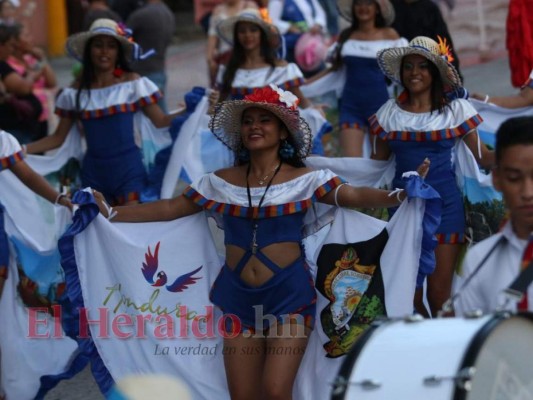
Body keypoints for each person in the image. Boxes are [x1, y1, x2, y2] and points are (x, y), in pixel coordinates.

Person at [92, 84, 428, 399]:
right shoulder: (219, 182)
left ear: (283, 131)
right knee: (243, 395)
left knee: (276, 392)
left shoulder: (307, 180)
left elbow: (351, 194)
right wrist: (109, 213)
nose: (255, 126)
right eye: (248, 121)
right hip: (237, 297)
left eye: (265, 120)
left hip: (288, 297)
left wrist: (397, 194)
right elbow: (170, 207)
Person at [370, 36, 495, 317]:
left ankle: (450, 355)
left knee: (439, 296)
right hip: (402, 210)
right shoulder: (387, 114)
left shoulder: (456, 111)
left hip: (446, 209)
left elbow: (484, 158)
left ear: (435, 72)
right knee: (408, 295)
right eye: (409, 66)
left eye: (423, 66)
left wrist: (520, 151)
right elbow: (374, 168)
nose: (414, 72)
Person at [25, 19, 183, 206]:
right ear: (88, 51)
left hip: (129, 171)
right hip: (93, 174)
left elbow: (161, 121)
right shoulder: (74, 92)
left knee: (132, 230)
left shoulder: (132, 84)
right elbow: (58, 138)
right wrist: (19, 150)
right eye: (98, 45)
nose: (104, 52)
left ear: (118, 53)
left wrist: (192, 108)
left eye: (111, 46)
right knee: (97, 232)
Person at [454, 116, 533, 315]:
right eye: (514, 178)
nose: (527, 192)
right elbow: (471, 338)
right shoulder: (479, 260)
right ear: (496, 179)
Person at [309, 0, 406, 157]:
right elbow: (335, 69)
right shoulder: (347, 36)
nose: (363, 8)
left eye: (368, 3)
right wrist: (303, 84)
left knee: (379, 164)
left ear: (377, 9)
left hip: (380, 108)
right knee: (351, 163)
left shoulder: (390, 35)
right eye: (358, 3)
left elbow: (402, 70)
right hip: (350, 107)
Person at [8, 22, 58, 140]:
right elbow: (23, 88)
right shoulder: (9, 64)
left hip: (42, 116)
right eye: (26, 35)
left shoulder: (31, 59)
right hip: (24, 120)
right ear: (14, 42)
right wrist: (35, 74)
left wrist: (42, 59)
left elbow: (52, 82)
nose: (31, 39)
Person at [390, 0, 462, 79]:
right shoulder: (389, 11)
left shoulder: (429, 8)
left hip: (430, 72)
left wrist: (452, 71)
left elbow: (444, 44)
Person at [126, 0, 175, 112]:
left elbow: (123, 39)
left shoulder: (140, 15)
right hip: (159, 70)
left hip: (141, 73)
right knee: (160, 115)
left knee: (147, 119)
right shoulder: (168, 13)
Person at [0, 22, 44, 145]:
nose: (11, 49)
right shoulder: (3, 66)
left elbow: (51, 81)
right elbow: (23, 88)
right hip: (13, 129)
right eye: (9, 45)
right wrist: (30, 76)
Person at [205, 0, 258, 87]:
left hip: (247, 55)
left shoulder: (250, 6)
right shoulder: (218, 10)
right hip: (224, 59)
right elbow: (212, 36)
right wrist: (210, 60)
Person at [267, 0, 327, 70]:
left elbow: (320, 13)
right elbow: (271, 21)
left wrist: (318, 24)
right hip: (291, 47)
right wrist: (288, 27)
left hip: (312, 46)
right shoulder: (278, 1)